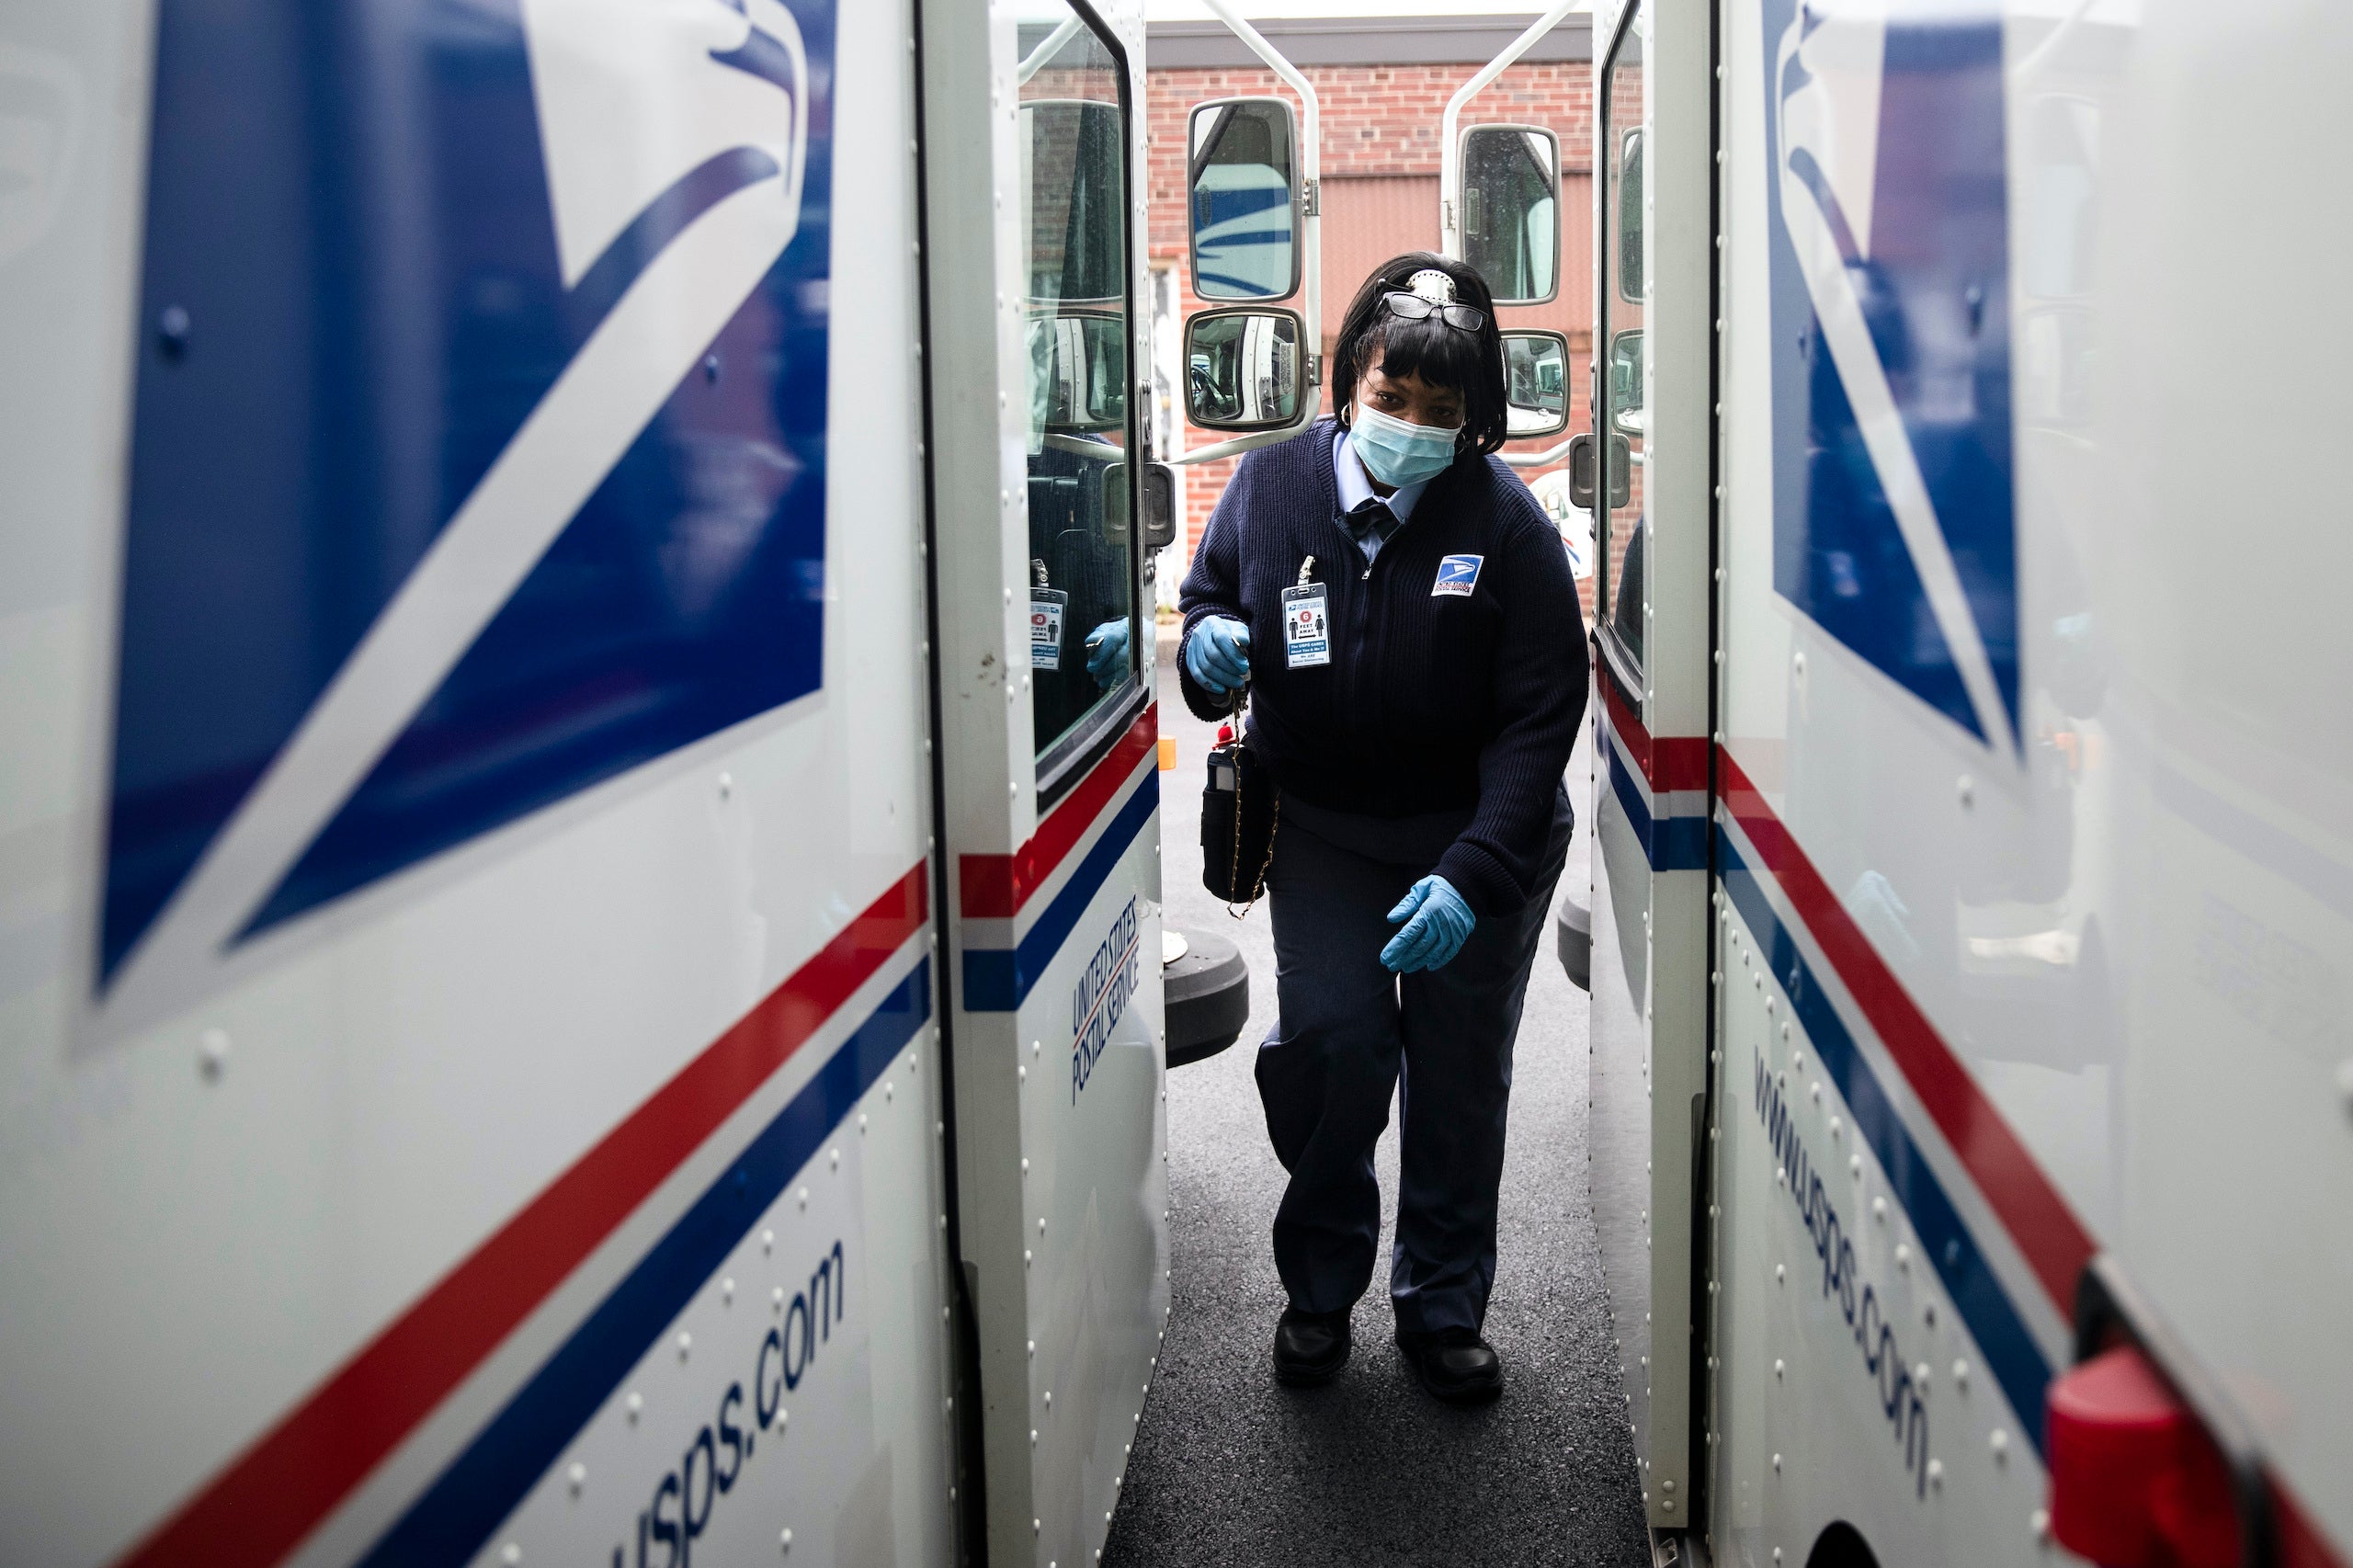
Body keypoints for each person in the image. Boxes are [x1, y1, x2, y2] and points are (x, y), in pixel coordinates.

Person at [1176, 253, 1589, 1403]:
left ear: (1473, 418)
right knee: (1337, 1046)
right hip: (1322, 829)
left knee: (1456, 1073)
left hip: (1474, 839)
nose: (1409, 424)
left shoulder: (1504, 525)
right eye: (1391, 397)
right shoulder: (1269, 487)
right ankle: (1318, 1288)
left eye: (1440, 411)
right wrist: (1204, 649)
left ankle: (1442, 1304)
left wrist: (1473, 870)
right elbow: (1213, 599)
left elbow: (1540, 713)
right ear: (1350, 380)